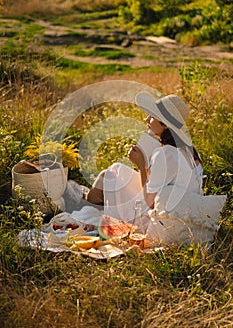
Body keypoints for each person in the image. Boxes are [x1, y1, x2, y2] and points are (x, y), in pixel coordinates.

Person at [84, 93, 225, 246]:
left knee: (111, 174)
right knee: (117, 170)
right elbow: (168, 184)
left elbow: (151, 202)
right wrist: (147, 166)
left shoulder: (166, 154)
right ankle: (89, 202)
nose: (146, 119)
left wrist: (140, 164)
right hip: (177, 208)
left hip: (159, 216)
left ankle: (88, 205)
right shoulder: (190, 150)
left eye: (151, 116)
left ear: (165, 124)